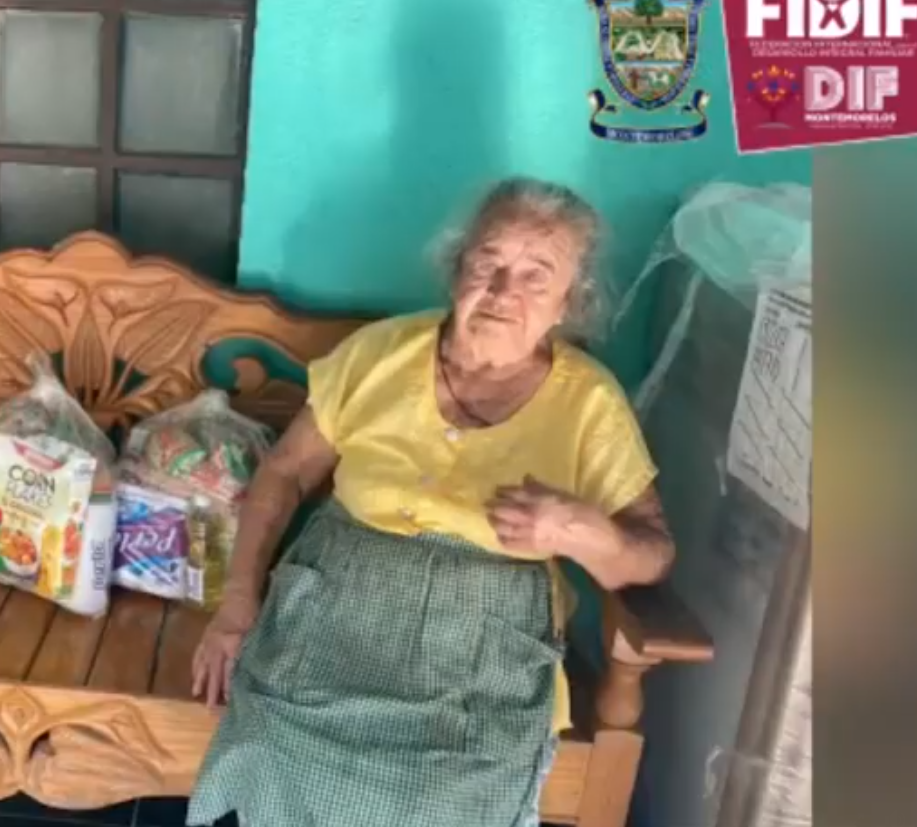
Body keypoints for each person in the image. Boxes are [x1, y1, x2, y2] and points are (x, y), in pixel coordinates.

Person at [186, 177, 676, 827]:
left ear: (569, 302)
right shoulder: (380, 353)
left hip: (479, 654)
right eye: (488, 262)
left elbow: (652, 552)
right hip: (333, 615)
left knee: (446, 791)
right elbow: (286, 472)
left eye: (537, 276)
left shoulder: (589, 402)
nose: (503, 291)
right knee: (280, 743)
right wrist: (236, 604)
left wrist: (581, 531)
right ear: (456, 268)